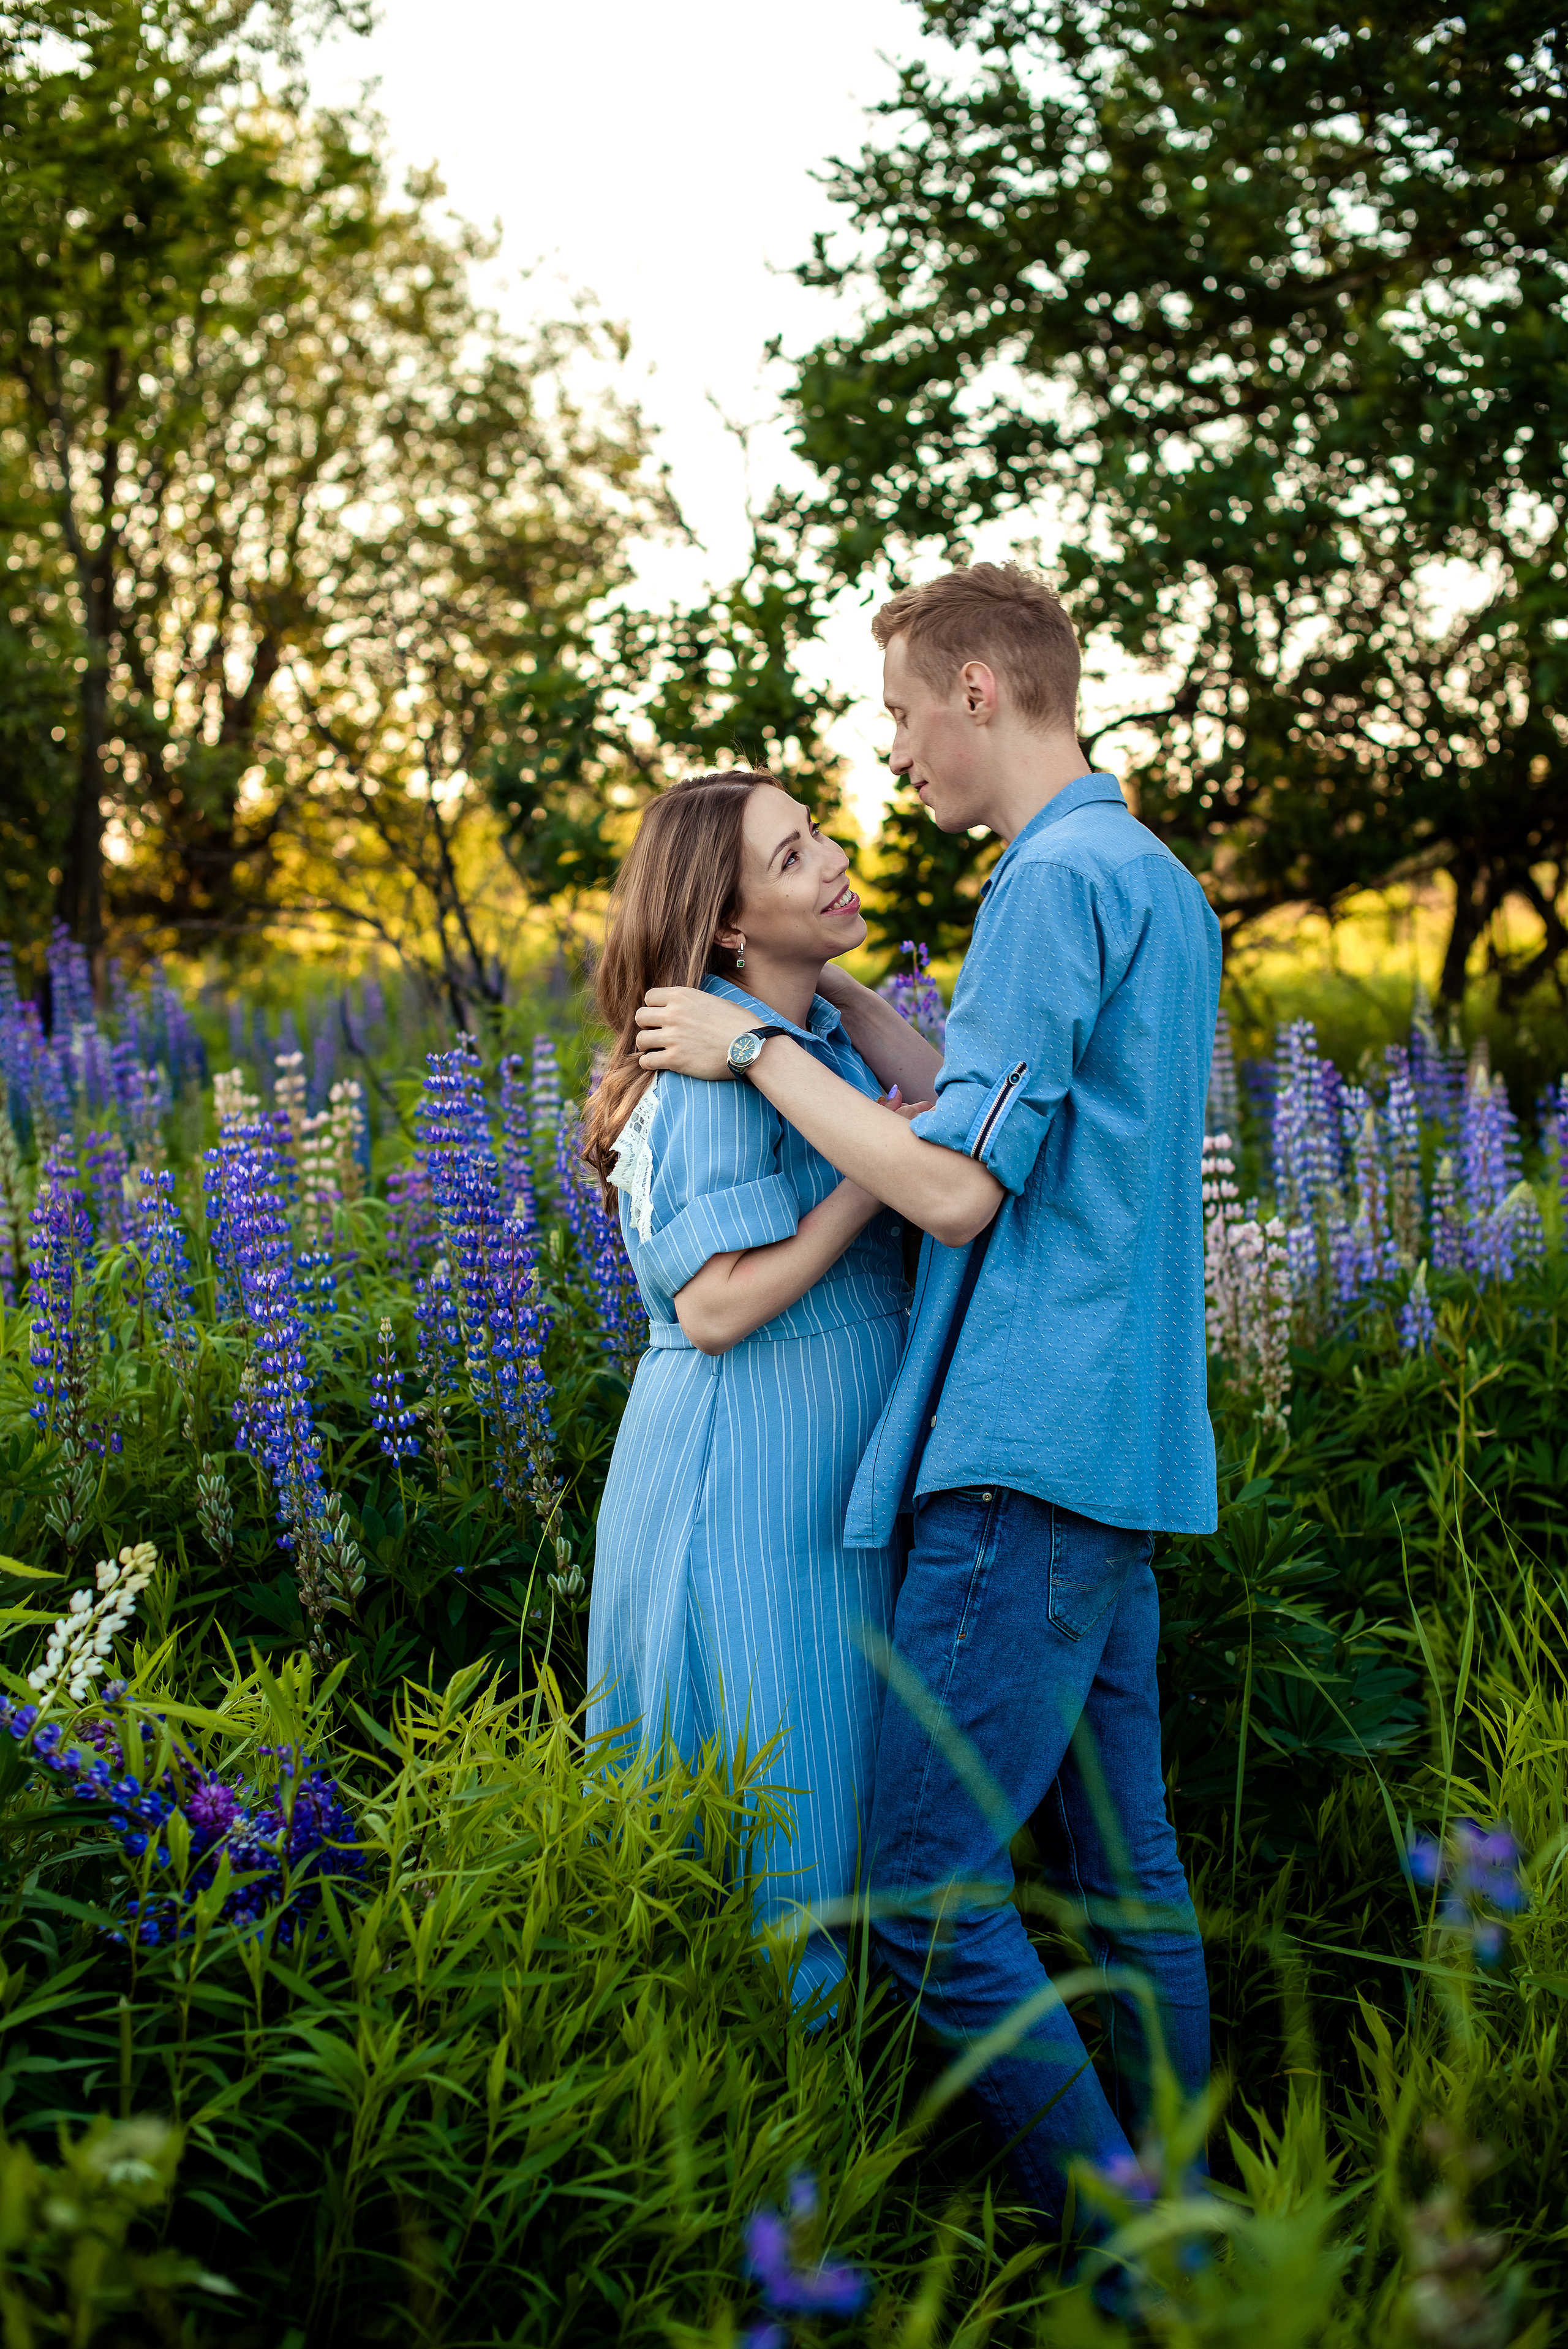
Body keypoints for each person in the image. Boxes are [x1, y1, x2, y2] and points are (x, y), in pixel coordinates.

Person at [631, 565, 1219, 2223]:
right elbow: (997, 1105)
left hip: (1022, 1447)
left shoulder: (1044, 886)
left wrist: (757, 1051)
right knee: (1132, 1882)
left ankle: (1137, 2266)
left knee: (922, 1900)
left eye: (897, 716)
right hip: (1126, 1443)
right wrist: (828, 1014)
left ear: (976, 689)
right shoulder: (1152, 878)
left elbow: (957, 1189)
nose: (891, 761)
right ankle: (1210, 2240)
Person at [581, 767, 941, 2010]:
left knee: (837, 1784)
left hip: (824, 1459)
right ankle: (773, 2135)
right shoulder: (704, 1073)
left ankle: (836, 2104)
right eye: (792, 857)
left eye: (818, 832)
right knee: (785, 1802)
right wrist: (872, 1172)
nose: (833, 856)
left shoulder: (795, 1037)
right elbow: (715, 1305)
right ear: (728, 921)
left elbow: (946, 1092)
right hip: (743, 1467)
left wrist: (816, 977)